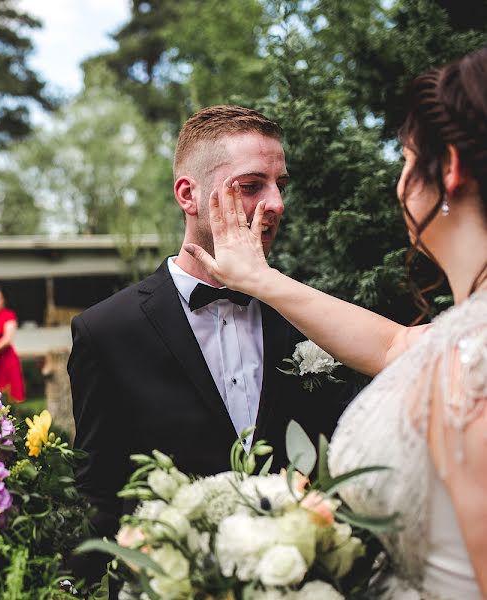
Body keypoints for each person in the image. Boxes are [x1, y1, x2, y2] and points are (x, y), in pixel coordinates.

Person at [184, 49, 487, 598]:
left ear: (449, 170)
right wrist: (261, 279)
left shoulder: (476, 363)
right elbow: (397, 344)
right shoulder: (464, 336)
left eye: (406, 160)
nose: (400, 185)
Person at [67, 105, 356, 587]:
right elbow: (97, 497)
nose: (276, 203)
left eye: (280, 185)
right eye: (251, 185)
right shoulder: (106, 332)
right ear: (189, 195)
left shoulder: (309, 316)